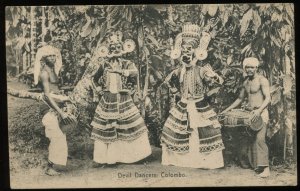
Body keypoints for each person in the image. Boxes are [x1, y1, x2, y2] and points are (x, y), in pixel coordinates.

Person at [160, 24, 225, 169]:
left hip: (199, 105)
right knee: (172, 129)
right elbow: (167, 81)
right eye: (184, 52)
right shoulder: (179, 71)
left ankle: (204, 162)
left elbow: (219, 82)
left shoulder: (201, 70)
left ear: (195, 54)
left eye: (189, 53)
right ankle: (183, 161)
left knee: (206, 130)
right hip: (183, 104)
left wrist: (213, 76)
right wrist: (176, 93)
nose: (186, 56)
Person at [90, 31, 152, 166]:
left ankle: (135, 156)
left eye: (118, 47)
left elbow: (135, 73)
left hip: (124, 98)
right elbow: (93, 78)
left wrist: (121, 72)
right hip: (107, 99)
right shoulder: (104, 64)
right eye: (112, 48)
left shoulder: (126, 63)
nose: (115, 50)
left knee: (132, 124)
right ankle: (106, 158)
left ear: (122, 48)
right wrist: (99, 89)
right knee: (106, 128)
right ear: (108, 49)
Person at [221, 57, 271, 178]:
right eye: (247, 67)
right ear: (245, 68)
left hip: (260, 113)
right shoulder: (246, 82)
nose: (249, 69)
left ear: (256, 68)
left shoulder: (262, 80)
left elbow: (268, 98)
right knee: (248, 140)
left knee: (260, 139)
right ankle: (254, 165)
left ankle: (265, 168)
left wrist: (259, 111)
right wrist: (226, 110)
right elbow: (239, 99)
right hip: (248, 114)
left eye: (252, 67)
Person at [34, 44, 76, 176]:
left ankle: (56, 161)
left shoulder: (53, 70)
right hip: (49, 106)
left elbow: (55, 89)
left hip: (57, 103)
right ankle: (49, 167)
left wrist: (64, 97)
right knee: (55, 135)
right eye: (49, 56)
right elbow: (47, 95)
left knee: (60, 135)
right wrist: (61, 112)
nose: (53, 58)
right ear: (44, 58)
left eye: (54, 55)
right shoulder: (44, 73)